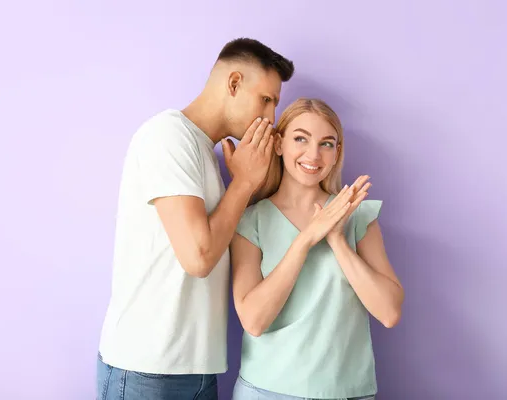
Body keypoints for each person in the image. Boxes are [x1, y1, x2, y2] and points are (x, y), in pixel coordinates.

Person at [96, 38, 294, 400]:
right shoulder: (168, 135)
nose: (270, 118)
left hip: (197, 369)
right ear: (233, 83)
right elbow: (198, 257)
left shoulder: (205, 152)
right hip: (148, 370)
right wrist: (245, 183)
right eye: (266, 99)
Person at [230, 98, 404, 400]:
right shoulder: (250, 220)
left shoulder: (358, 216)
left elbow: (388, 312)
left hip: (347, 392)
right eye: (301, 138)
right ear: (279, 143)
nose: (314, 154)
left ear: (337, 153)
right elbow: (254, 321)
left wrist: (337, 240)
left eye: (327, 143)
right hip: (266, 390)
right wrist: (307, 237)